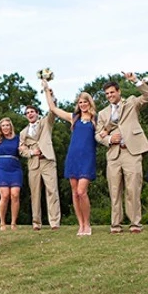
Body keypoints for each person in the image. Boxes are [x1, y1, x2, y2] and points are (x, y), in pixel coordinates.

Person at [95, 72, 148, 233]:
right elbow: (97, 134)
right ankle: (115, 224)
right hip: (113, 155)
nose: (109, 96)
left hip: (131, 152)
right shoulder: (102, 113)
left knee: (133, 189)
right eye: (107, 94)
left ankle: (135, 224)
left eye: (112, 92)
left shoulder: (131, 102)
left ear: (119, 91)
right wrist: (108, 140)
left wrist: (135, 80)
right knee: (114, 190)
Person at [45, 85, 97, 236]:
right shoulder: (74, 118)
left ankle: (87, 224)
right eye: (80, 102)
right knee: (75, 193)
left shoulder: (96, 119)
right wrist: (47, 91)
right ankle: (80, 225)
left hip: (87, 158)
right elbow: (53, 109)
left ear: (90, 103)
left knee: (82, 192)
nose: (82, 105)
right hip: (73, 157)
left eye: (85, 102)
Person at [18, 102, 62, 230]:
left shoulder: (45, 123)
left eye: (32, 112)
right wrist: (31, 152)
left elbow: (52, 112)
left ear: (37, 113)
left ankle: (54, 222)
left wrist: (51, 97)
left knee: (52, 191)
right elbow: (21, 149)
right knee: (35, 194)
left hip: (47, 161)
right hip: (34, 164)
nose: (30, 114)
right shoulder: (23, 132)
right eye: (27, 113)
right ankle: (36, 223)